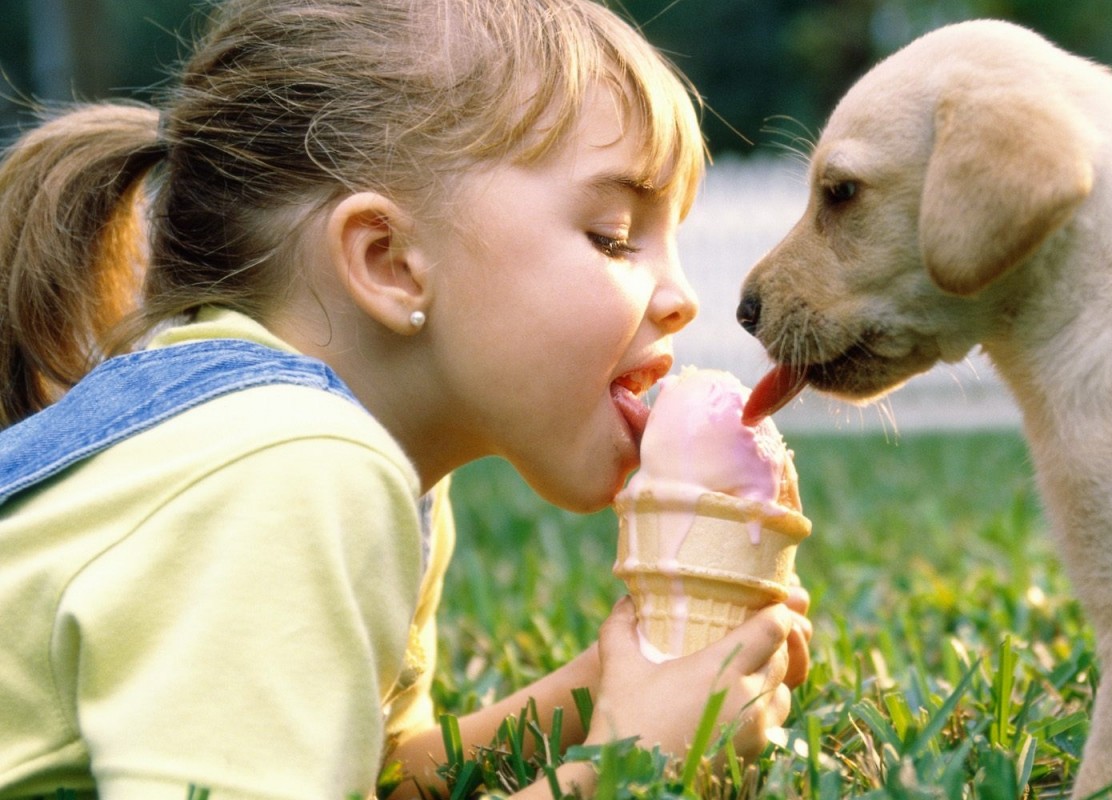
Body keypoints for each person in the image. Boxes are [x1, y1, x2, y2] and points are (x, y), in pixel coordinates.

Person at [0, 1, 812, 797]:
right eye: (612, 235)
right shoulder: (290, 468)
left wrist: (600, 691)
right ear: (388, 260)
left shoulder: (337, 458)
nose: (681, 297)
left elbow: (368, 774)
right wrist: (634, 766)